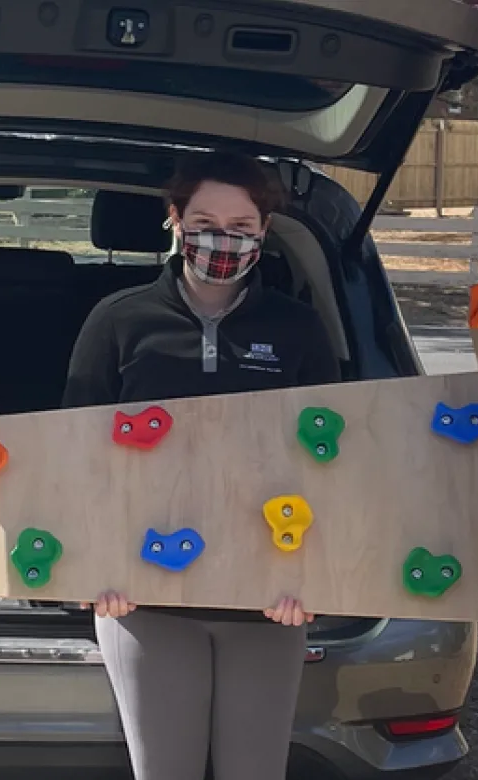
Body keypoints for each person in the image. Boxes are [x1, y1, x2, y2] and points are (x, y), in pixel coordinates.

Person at [60, 150, 341, 780]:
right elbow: (76, 454)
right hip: (145, 604)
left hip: (266, 603)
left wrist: (315, 576)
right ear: (175, 220)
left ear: (265, 231)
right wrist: (90, 563)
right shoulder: (118, 320)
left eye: (241, 227)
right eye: (206, 223)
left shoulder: (298, 329)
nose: (223, 239)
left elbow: (331, 458)